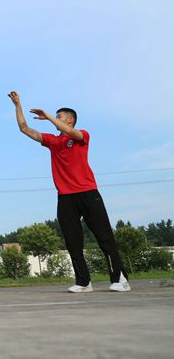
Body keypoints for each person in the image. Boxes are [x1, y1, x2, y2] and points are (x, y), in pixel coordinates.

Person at [8, 91, 130, 292]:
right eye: (56, 116)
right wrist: (17, 105)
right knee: (73, 242)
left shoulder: (82, 136)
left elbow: (69, 131)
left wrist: (48, 116)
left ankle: (120, 279)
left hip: (88, 193)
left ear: (70, 120)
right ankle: (83, 282)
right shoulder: (53, 142)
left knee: (104, 237)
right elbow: (24, 128)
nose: (56, 119)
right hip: (65, 197)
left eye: (60, 116)